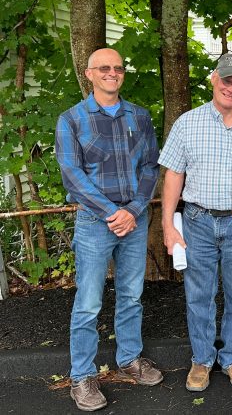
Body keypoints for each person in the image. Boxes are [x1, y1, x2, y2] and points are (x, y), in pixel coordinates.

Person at [159, 53, 232, 391]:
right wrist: (169, 225)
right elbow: (172, 176)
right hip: (197, 221)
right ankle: (201, 360)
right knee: (199, 295)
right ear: (214, 79)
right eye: (227, 80)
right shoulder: (188, 123)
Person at [56, 48, 162, 411]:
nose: (112, 73)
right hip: (94, 223)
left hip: (134, 220)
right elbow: (72, 175)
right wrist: (112, 212)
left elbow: (151, 167)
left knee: (131, 296)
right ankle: (82, 376)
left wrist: (132, 211)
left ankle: (129, 359)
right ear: (89, 74)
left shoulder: (140, 117)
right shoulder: (72, 120)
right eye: (104, 68)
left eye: (117, 68)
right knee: (88, 302)